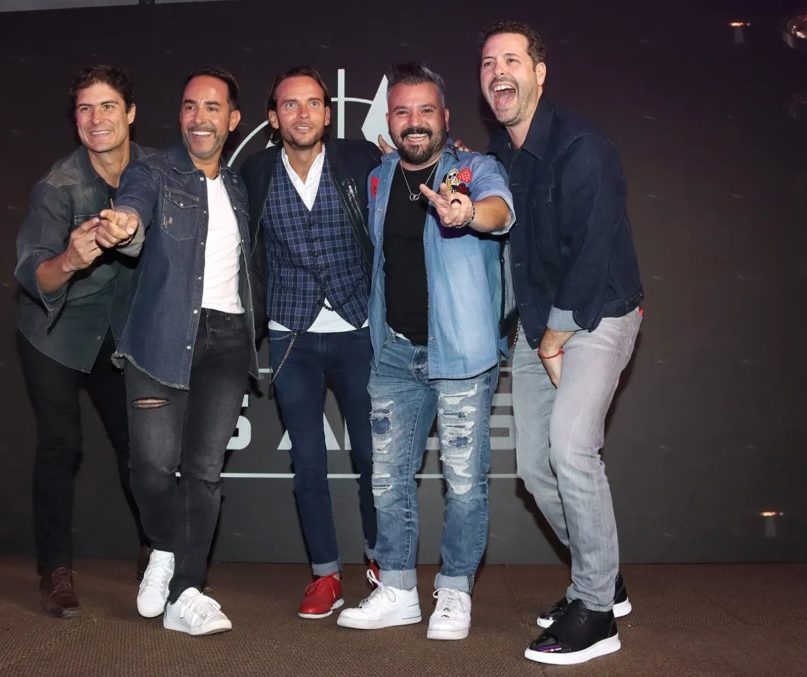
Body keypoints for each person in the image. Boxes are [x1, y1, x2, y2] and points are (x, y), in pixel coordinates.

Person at [479, 20, 644, 665]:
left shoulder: (582, 146)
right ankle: (604, 576)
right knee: (533, 468)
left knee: (573, 449)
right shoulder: (499, 156)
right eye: (488, 63)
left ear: (539, 74)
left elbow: (592, 252)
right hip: (539, 322)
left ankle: (596, 611)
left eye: (512, 60)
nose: (498, 72)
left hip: (599, 312)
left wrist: (554, 337)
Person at [336, 62, 513, 641]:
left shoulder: (476, 169)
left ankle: (455, 590)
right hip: (393, 353)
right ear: (390, 121)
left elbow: (500, 210)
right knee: (387, 481)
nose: (415, 121)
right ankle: (397, 589)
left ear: (446, 117)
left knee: (463, 481)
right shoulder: (381, 177)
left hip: (460, 355)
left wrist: (468, 213)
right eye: (403, 111)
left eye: (426, 110)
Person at [95, 66, 259, 636]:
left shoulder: (239, 186)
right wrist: (124, 223)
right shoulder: (152, 172)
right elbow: (133, 208)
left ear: (233, 120)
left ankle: (188, 589)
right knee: (152, 468)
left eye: (213, 108)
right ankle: (164, 547)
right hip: (160, 337)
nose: (199, 118)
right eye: (190, 106)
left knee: (205, 473)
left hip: (227, 341)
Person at [240, 66, 381, 619]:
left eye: (313, 103)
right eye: (290, 105)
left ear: (328, 112)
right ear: (273, 118)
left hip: (358, 331)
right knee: (307, 464)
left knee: (373, 457)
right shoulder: (254, 172)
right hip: (291, 337)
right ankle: (325, 574)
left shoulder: (361, 160)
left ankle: (381, 560)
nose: (302, 114)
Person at [14, 64, 150, 619]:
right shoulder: (58, 186)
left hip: (121, 331)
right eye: (84, 109)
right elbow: (34, 277)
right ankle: (55, 570)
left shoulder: (156, 172)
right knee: (60, 446)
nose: (96, 119)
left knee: (140, 448)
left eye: (108, 106)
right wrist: (70, 259)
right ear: (74, 120)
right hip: (56, 331)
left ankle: (156, 554)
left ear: (130, 113)